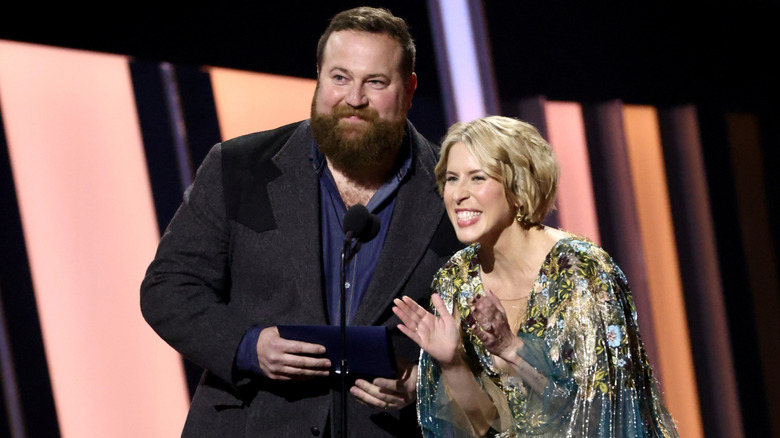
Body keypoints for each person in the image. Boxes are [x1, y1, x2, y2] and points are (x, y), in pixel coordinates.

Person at [140, 7, 461, 437]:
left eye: (376, 82)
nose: (354, 98)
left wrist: (425, 384)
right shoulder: (238, 167)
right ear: (319, 77)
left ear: (409, 89)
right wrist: (247, 346)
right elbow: (168, 288)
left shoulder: (454, 190)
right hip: (250, 422)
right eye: (340, 77)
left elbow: (491, 338)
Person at [392, 115, 679, 437]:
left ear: (518, 186)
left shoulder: (581, 273)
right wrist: (451, 362)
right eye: (451, 178)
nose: (457, 194)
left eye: (477, 178)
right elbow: (484, 423)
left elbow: (599, 415)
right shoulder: (456, 280)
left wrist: (514, 351)